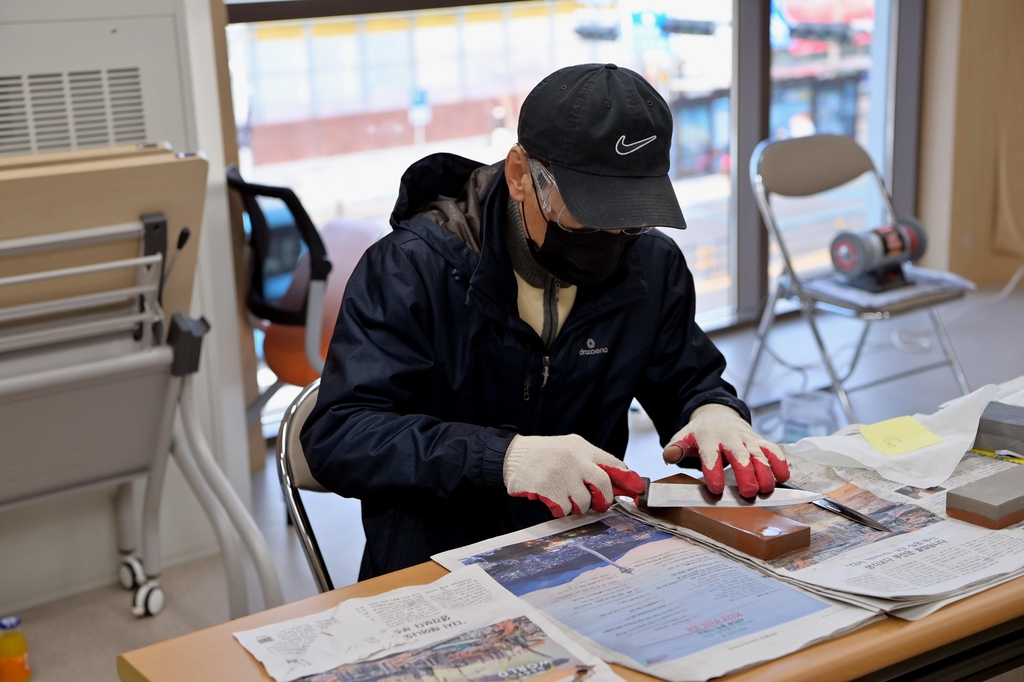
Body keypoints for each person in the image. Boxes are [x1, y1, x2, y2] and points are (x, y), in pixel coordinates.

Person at [301, 63, 789, 580]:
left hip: (585, 555)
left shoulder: (651, 265)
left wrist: (713, 412)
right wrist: (505, 459)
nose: (612, 235)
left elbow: (687, 382)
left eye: (631, 216)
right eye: (589, 211)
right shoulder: (413, 269)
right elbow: (340, 435)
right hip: (439, 565)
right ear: (520, 176)